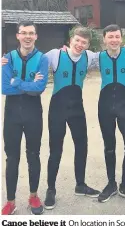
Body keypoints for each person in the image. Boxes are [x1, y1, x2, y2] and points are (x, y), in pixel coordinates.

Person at [44, 27, 99, 210]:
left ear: (88, 45)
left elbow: (111, 54)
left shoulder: (90, 56)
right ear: (70, 40)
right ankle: (51, 189)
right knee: (56, 151)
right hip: (58, 109)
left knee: (82, 146)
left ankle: (80, 185)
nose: (80, 45)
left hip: (77, 109)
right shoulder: (55, 55)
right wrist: (7, 61)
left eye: (84, 42)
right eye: (77, 40)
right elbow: (32, 60)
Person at [2, 20, 48, 215]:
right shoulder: (7, 58)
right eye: (24, 33)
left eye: (31, 33)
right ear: (18, 36)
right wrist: (28, 84)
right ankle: (10, 201)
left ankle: (33, 195)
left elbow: (39, 89)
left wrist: (17, 81)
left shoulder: (42, 59)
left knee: (33, 154)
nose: (27, 36)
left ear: (36, 36)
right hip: (12, 113)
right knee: (12, 157)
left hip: (33, 112)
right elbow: (4, 88)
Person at [95, 25, 125, 204]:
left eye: (117, 37)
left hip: (124, 105)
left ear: (122, 39)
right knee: (109, 146)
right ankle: (111, 183)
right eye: (110, 37)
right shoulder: (96, 57)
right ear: (104, 39)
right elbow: (76, 54)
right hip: (104, 106)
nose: (114, 40)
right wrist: (65, 50)